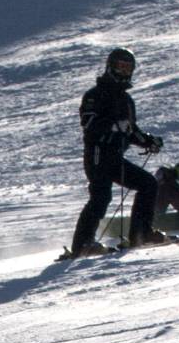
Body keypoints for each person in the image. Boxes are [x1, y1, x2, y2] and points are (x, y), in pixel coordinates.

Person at [70, 48, 165, 256]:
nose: (124, 72)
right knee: (101, 197)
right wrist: (112, 125)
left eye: (128, 68)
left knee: (148, 184)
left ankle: (141, 233)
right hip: (97, 155)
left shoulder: (126, 99)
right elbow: (88, 122)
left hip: (114, 157)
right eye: (120, 67)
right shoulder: (95, 94)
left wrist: (148, 141)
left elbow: (130, 129)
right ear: (110, 66)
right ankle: (82, 244)